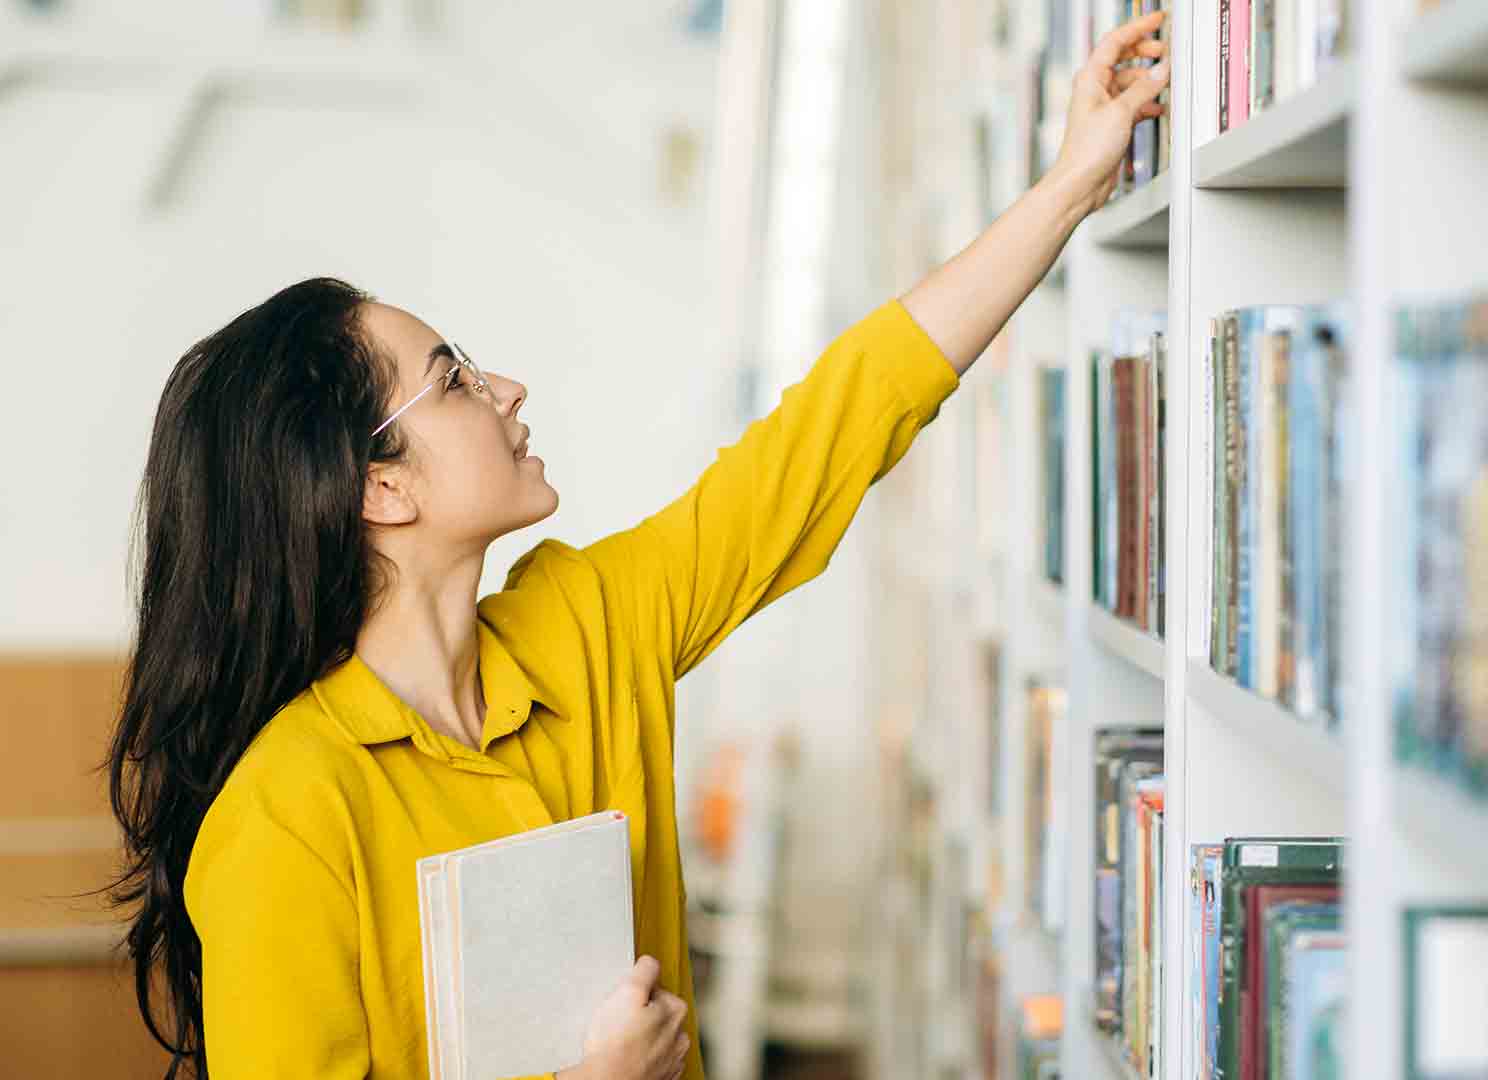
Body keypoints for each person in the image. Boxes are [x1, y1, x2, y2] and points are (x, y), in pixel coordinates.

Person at [100, 12, 1169, 1080]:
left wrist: (1071, 181)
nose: (505, 387)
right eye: (456, 377)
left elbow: (833, 429)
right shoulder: (286, 814)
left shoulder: (584, 627)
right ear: (380, 484)